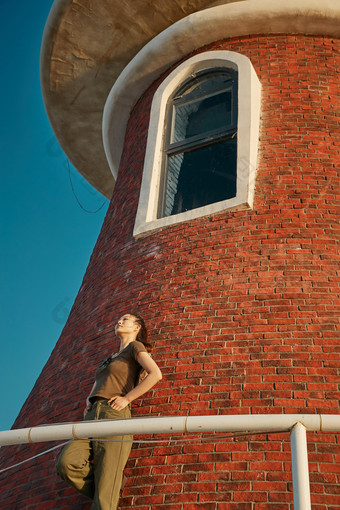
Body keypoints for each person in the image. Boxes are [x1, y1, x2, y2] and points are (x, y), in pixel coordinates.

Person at [56, 313, 162, 510]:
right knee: (66, 463)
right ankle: (109, 486)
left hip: (114, 414)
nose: (119, 322)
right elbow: (103, 381)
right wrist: (89, 399)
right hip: (91, 416)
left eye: (125, 319)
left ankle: (107, 489)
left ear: (137, 327)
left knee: (104, 500)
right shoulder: (110, 357)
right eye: (118, 320)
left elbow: (156, 374)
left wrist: (127, 398)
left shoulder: (134, 347)